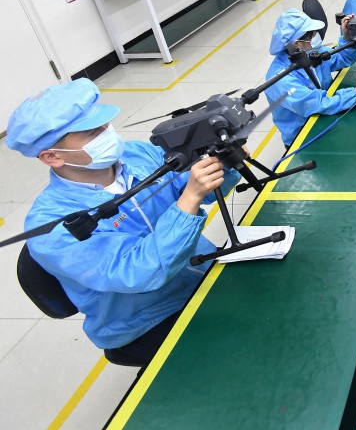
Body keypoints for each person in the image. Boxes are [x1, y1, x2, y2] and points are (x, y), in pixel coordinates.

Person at [6, 79, 241, 364]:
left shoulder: (136, 154)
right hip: (146, 321)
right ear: (52, 156)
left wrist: (223, 164)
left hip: (203, 273)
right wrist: (190, 197)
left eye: (105, 124)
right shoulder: (52, 227)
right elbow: (139, 273)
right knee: (236, 354)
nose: (108, 134)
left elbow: (197, 190)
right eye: (92, 132)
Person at [264, 9, 356, 149]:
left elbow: (340, 58)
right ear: (297, 43)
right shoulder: (281, 78)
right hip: (304, 137)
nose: (316, 37)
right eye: (312, 35)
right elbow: (318, 104)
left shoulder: (309, 53)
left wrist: (346, 37)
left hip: (326, 116)